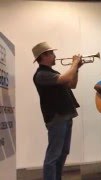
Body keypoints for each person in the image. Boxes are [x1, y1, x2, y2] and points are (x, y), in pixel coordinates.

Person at [32, 42, 82, 180]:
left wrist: (76, 69)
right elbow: (66, 78)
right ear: (44, 56)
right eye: (52, 53)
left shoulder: (52, 73)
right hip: (57, 117)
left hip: (65, 115)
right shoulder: (41, 74)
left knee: (63, 152)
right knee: (54, 154)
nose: (55, 56)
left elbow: (72, 84)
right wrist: (75, 63)